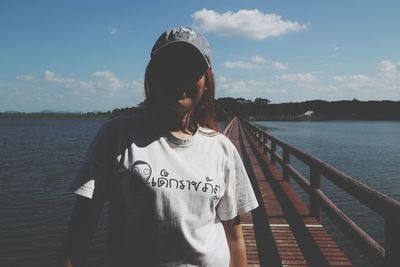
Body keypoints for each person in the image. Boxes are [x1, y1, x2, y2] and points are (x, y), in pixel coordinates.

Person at [61, 26, 258, 267]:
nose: (180, 77)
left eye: (191, 69)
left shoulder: (222, 148)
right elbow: (81, 230)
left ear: (206, 82)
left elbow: (234, 236)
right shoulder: (118, 135)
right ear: (152, 77)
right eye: (170, 67)